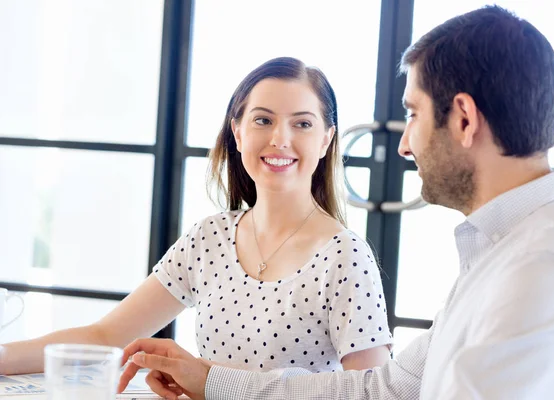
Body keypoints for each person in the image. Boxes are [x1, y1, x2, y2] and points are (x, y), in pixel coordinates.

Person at [117, 5, 554, 400]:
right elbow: (382, 389)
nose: (404, 145)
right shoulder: (503, 251)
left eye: (413, 114)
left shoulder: (547, 267)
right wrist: (212, 382)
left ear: (464, 120)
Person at [0, 57, 393, 376]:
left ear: (326, 140)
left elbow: (371, 393)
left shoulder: (345, 257)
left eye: (302, 124)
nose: (280, 139)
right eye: (263, 120)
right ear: (237, 133)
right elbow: (106, 334)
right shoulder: (210, 237)